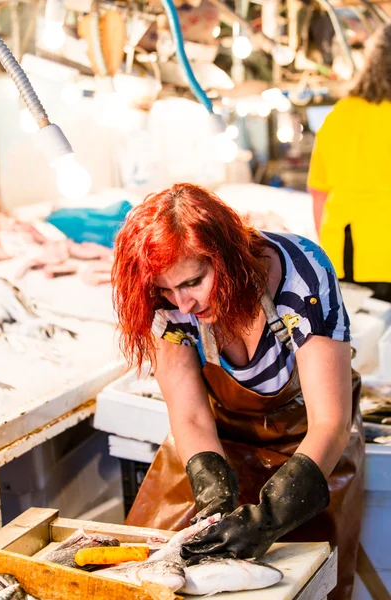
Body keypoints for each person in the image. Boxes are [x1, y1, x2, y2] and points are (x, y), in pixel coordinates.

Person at [112, 183, 364, 600]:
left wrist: (271, 515)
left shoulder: (301, 274)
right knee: (150, 575)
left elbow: (330, 422)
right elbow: (191, 416)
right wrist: (212, 491)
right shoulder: (164, 301)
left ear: (227, 256)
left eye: (194, 281)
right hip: (215, 439)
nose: (184, 304)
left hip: (308, 445)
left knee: (309, 580)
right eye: (167, 290)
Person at [307, 24, 391, 302]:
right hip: (371, 253)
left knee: (362, 339)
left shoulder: (341, 113)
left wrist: (328, 252)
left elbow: (319, 193)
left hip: (346, 251)